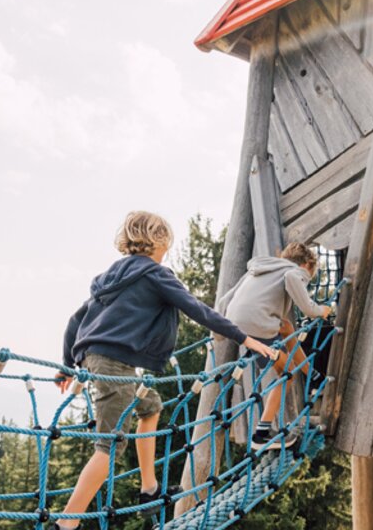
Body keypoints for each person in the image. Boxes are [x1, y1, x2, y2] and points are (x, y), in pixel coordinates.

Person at [50, 211, 274, 530]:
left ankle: (149, 488)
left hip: (97, 358)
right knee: (110, 445)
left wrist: (67, 364)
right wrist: (245, 338)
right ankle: (67, 523)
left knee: (150, 407)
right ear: (160, 241)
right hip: (113, 363)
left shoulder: (111, 276)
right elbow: (197, 309)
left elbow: (76, 321)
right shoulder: (156, 274)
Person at [217, 242, 331, 451]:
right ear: (307, 264)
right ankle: (261, 433)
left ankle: (312, 375)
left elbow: (225, 299)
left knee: (286, 330)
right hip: (258, 325)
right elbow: (297, 289)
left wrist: (219, 332)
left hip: (235, 325)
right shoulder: (294, 271)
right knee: (287, 374)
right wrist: (320, 310)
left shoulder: (258, 269)